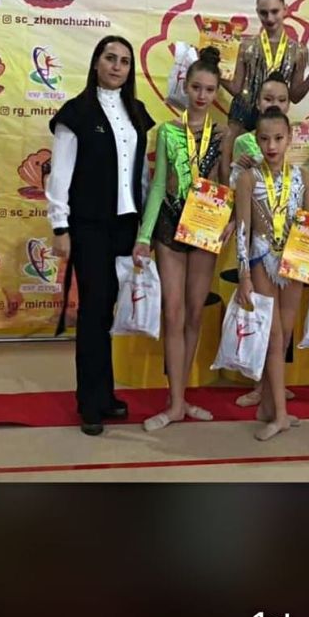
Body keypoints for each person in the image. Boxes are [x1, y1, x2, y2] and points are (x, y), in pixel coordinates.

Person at [47, 36, 155, 436]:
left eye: (124, 61)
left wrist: (145, 228)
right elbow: (60, 173)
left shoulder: (136, 112)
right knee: (93, 311)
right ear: (96, 63)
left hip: (125, 225)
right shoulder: (75, 113)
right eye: (110, 58)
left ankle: (106, 395)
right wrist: (60, 226)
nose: (117, 66)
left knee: (109, 310)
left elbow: (140, 174)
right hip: (88, 225)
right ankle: (89, 403)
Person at [133, 46, 232, 431]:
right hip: (169, 226)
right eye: (196, 87)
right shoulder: (168, 131)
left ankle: (181, 397)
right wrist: (144, 236)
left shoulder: (222, 135)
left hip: (205, 227)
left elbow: (225, 184)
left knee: (193, 313)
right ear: (185, 87)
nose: (202, 95)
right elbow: (158, 185)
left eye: (209, 89)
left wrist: (229, 221)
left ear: (216, 92)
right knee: (172, 313)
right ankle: (174, 402)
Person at [235, 107, 309, 440]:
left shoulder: (303, 176)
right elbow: (243, 229)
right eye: (265, 139)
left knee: (285, 332)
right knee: (272, 336)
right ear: (256, 139)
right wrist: (244, 275)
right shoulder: (248, 179)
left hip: (293, 260)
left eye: (278, 138)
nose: (271, 146)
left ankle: (268, 405)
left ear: (289, 138)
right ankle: (280, 415)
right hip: (261, 257)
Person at [221, 71, 295, 408]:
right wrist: (238, 170)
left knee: (285, 327)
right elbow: (237, 193)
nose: (271, 146)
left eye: (281, 99)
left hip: (291, 250)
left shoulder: (298, 152)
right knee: (268, 326)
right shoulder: (245, 145)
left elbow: (303, 207)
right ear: (257, 102)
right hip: (259, 245)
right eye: (268, 98)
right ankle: (263, 391)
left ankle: (272, 387)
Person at [221, 0, 309, 136]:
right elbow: (236, 88)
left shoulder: (298, 51)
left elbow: (294, 96)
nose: (269, 18)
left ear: (285, 9)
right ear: (257, 12)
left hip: (274, 120)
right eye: (264, 13)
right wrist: (214, 68)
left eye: (274, 11)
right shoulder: (245, 46)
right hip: (242, 119)